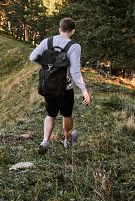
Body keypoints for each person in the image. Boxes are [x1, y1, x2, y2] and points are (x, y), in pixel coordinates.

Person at [29, 17, 90, 154]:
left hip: (48, 86)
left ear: (59, 29)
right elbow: (74, 71)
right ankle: (68, 140)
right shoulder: (74, 46)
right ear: (72, 31)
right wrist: (84, 91)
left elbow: (32, 57)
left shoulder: (48, 41)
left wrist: (48, 66)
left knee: (50, 114)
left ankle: (45, 141)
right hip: (65, 88)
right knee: (66, 115)